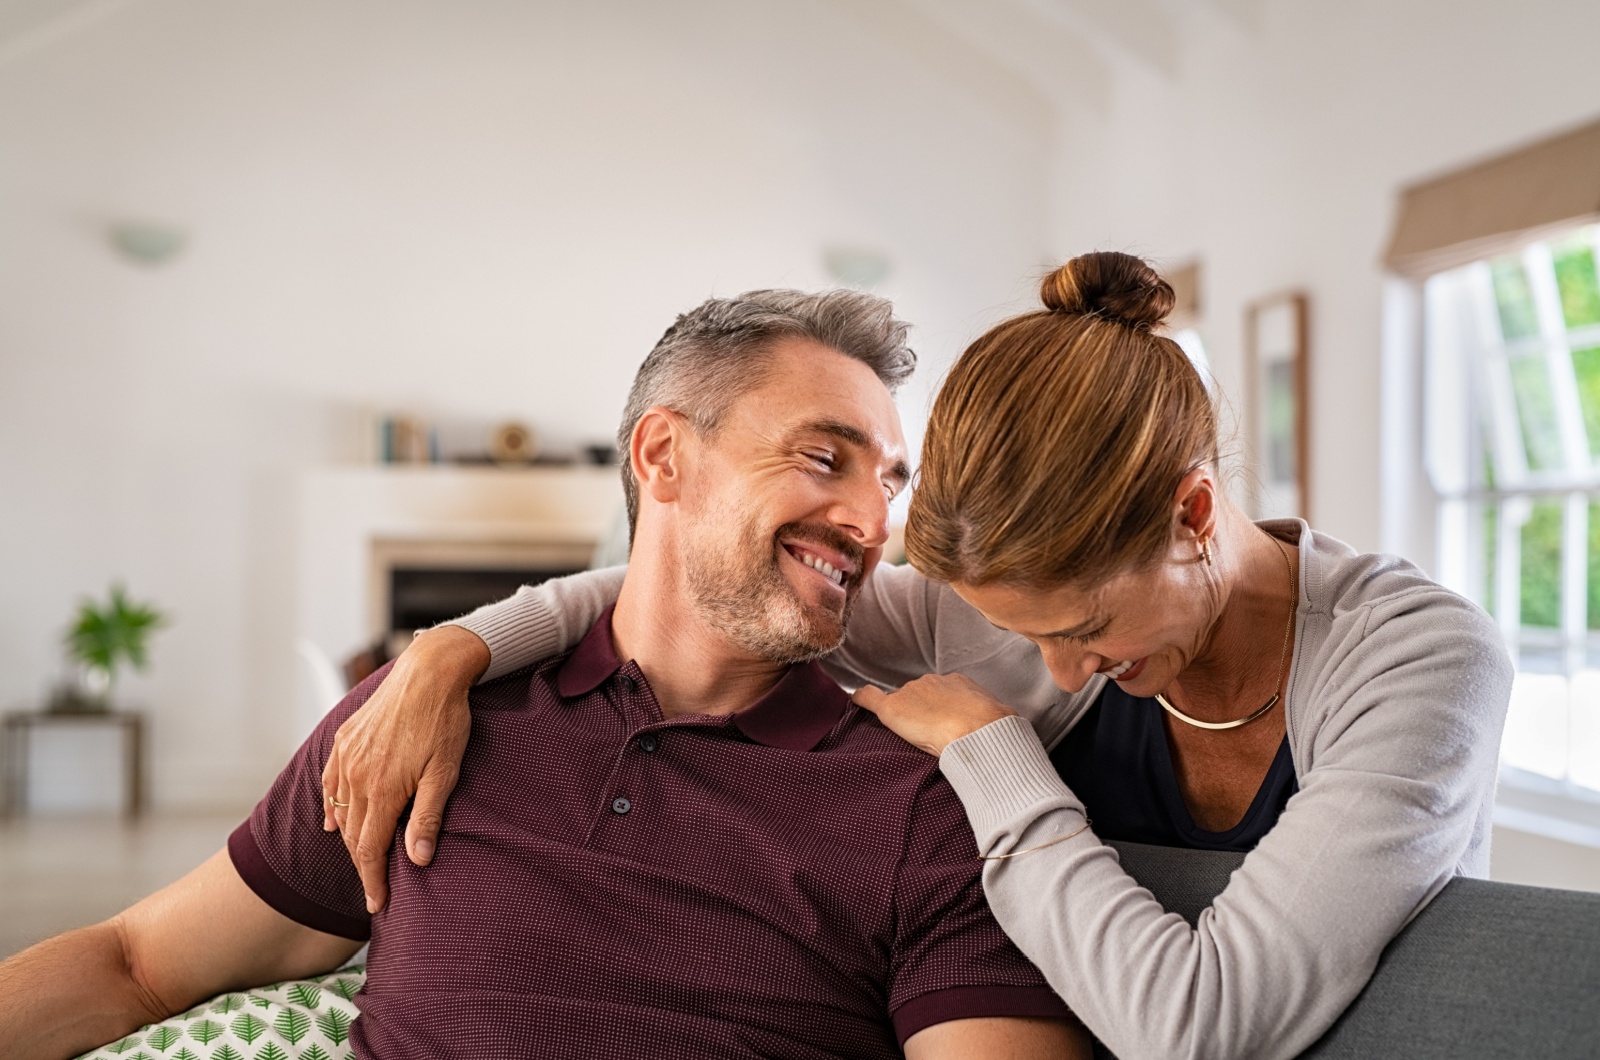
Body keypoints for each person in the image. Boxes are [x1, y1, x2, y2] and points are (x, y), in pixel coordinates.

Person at [326, 252, 1514, 1060]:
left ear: (1194, 514)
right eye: (1025, 631)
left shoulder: (1416, 664)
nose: (1053, 669)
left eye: (1087, 630)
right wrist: (452, 648)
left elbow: (1194, 1023)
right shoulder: (980, 618)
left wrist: (995, 754)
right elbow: (696, 588)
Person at [0, 289, 1087, 1060]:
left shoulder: (922, 800)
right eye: (821, 456)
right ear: (662, 456)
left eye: (888, 480)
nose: (868, 520)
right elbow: (139, 962)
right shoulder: (421, 727)